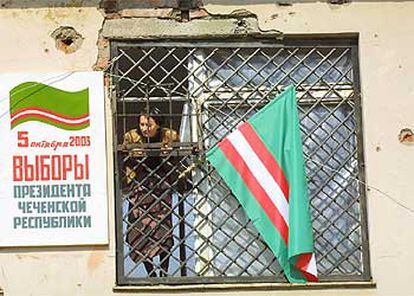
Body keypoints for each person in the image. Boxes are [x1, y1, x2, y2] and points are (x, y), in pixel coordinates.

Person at [122, 109, 179, 277]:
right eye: (142, 124)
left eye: (149, 124)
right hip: (140, 189)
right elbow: (124, 160)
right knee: (139, 233)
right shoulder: (131, 137)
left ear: (158, 124)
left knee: (163, 232)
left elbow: (176, 160)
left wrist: (167, 154)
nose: (145, 128)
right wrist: (132, 155)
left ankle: (164, 272)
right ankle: (151, 274)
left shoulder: (169, 136)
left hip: (160, 189)